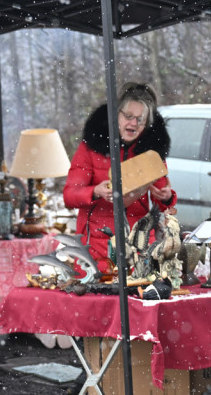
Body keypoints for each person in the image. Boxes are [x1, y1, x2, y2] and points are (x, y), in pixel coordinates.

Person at [63, 82, 176, 271]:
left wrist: (166, 197)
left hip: (139, 247)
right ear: (116, 115)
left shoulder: (152, 152)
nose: (133, 123)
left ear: (147, 123)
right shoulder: (91, 146)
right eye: (128, 116)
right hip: (96, 249)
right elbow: (69, 196)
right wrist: (95, 192)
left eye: (140, 119)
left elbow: (164, 204)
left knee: (137, 298)